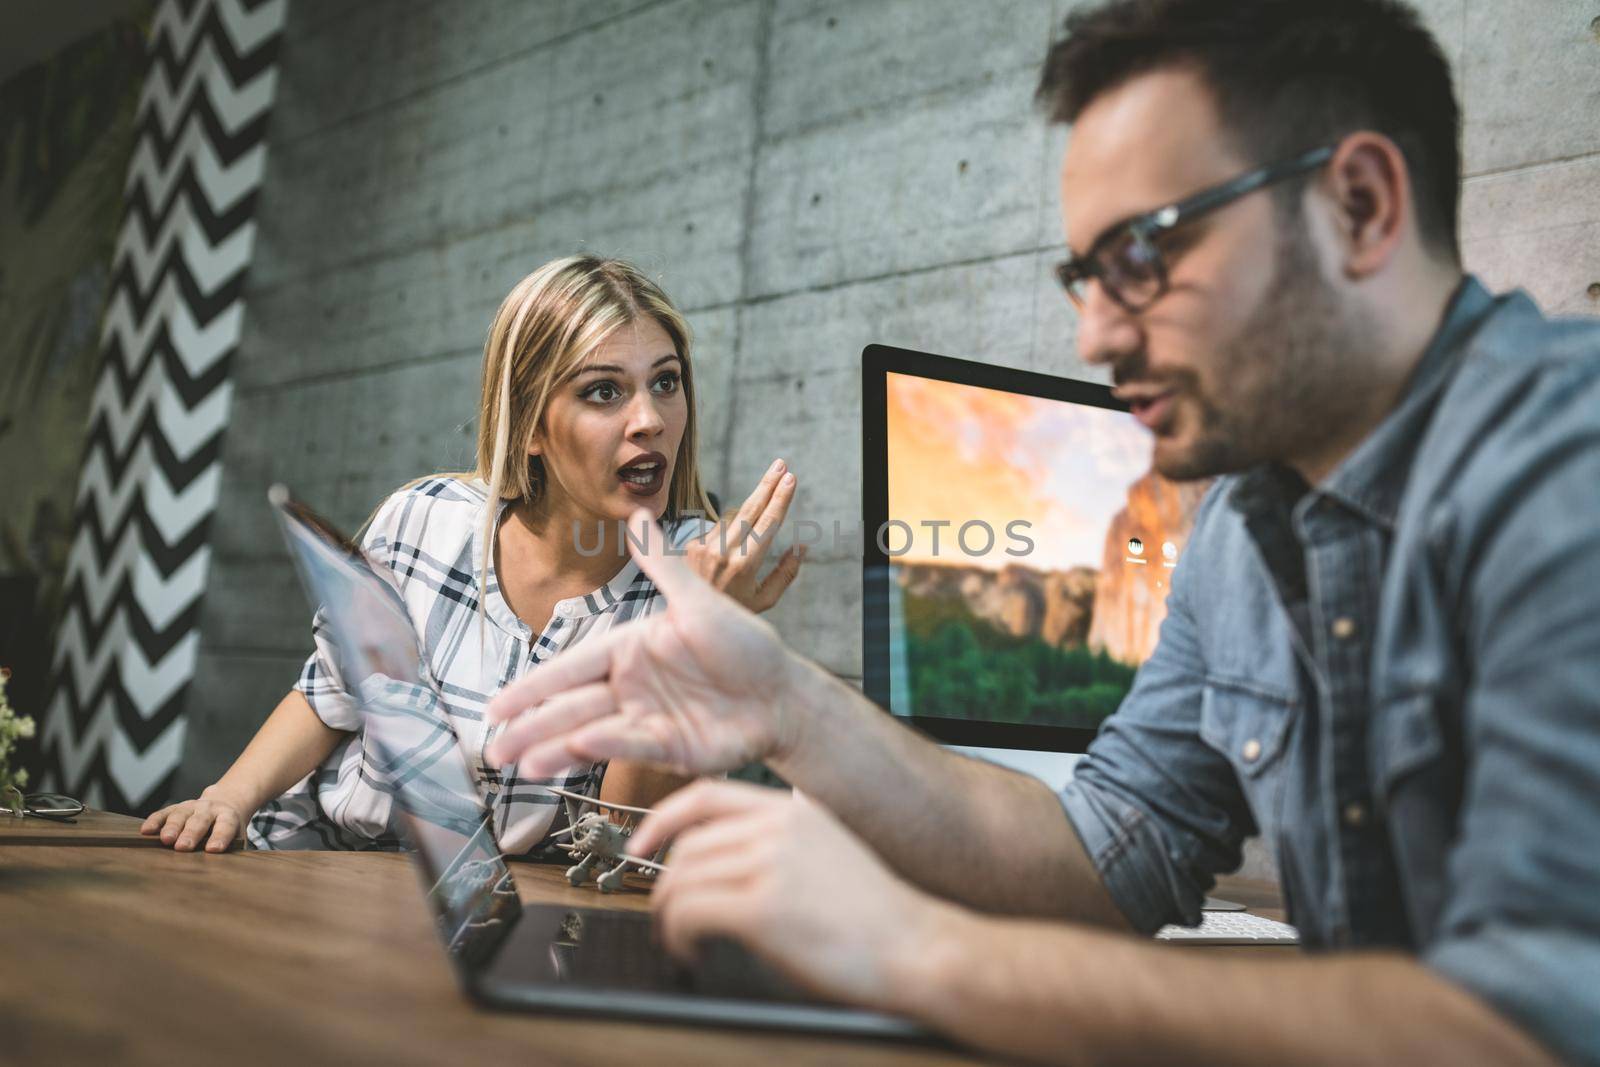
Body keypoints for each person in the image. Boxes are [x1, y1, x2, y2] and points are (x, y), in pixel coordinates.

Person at [482, 3, 1600, 1064]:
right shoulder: (1246, 524)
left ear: (1357, 205)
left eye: (1142, 258)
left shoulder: (1568, 463)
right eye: (1084, 277)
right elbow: (1105, 851)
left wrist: (915, 950)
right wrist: (786, 702)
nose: (1094, 333)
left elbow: (1523, 1025)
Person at [141, 256, 805, 855]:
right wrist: (227, 797)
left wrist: (694, 639)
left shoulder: (700, 577)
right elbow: (333, 693)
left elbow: (619, 841)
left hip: (518, 914)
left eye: (665, 382)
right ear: (530, 424)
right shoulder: (425, 520)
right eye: (605, 390)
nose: (650, 419)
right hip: (332, 858)